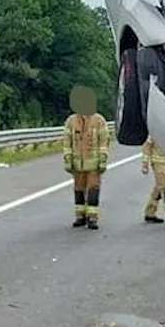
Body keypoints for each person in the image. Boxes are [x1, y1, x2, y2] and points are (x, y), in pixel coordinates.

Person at [63, 86, 110, 230]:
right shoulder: (71, 121)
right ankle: (80, 216)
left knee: (93, 189)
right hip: (78, 164)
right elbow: (67, 141)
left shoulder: (99, 120)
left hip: (94, 164)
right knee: (78, 189)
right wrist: (67, 159)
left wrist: (102, 160)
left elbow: (104, 141)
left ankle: (92, 218)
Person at [141, 135, 165, 228]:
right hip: (158, 163)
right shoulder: (156, 131)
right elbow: (147, 147)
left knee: (158, 189)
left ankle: (149, 213)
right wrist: (145, 164)